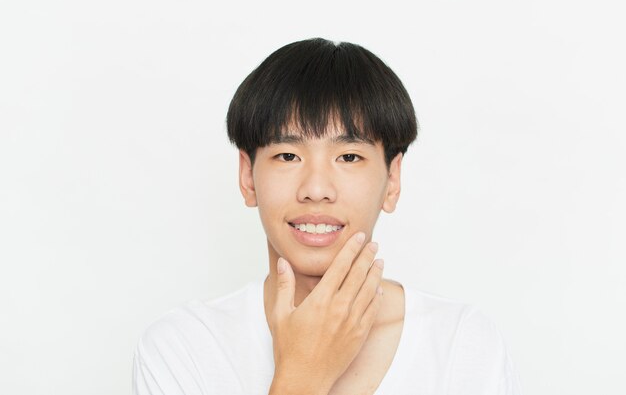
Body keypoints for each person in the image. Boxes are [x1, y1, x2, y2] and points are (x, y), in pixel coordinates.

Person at [132, 38, 522, 395]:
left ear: (392, 180)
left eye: (348, 157)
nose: (316, 188)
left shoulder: (463, 343)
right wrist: (304, 374)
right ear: (247, 176)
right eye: (288, 155)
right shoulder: (183, 348)